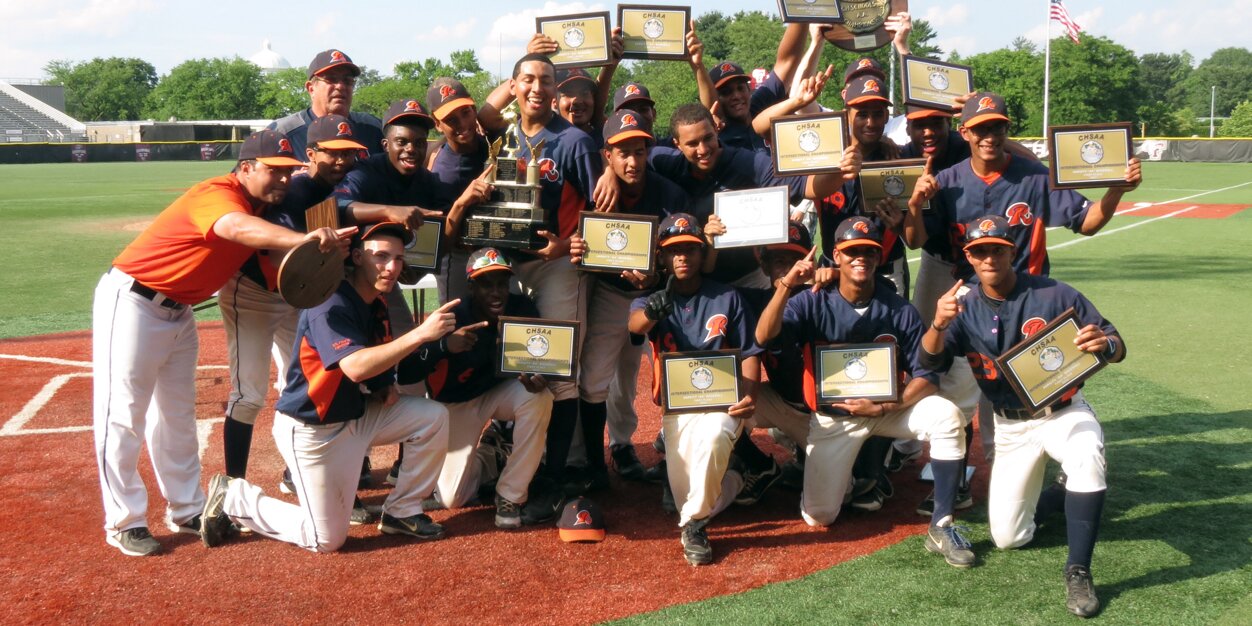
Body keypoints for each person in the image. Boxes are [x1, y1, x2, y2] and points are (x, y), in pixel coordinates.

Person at [93, 130, 353, 556]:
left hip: (179, 311)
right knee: (122, 415)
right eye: (273, 171)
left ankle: (187, 507)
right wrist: (301, 240)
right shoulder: (218, 192)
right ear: (246, 167)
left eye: (289, 173)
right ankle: (124, 521)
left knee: (176, 416)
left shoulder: (261, 203)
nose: (283, 182)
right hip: (134, 301)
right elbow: (234, 227)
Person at [200, 222, 455, 553]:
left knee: (432, 417)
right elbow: (354, 365)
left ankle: (402, 512)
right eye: (380, 256)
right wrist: (420, 334)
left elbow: (372, 358)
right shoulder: (330, 301)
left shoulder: (375, 301)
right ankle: (235, 496)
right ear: (357, 257)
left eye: (397, 258)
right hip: (313, 431)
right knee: (325, 539)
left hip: (356, 417)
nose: (391, 267)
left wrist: (382, 386)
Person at [920, 216, 1126, 616]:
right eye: (980, 251)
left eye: (998, 248)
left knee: (1087, 456)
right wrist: (938, 324)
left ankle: (1079, 570)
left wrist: (1106, 343)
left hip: (1063, 412)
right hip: (1011, 424)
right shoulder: (961, 308)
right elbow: (930, 361)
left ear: (1012, 252)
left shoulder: (1053, 293)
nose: (989, 257)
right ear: (969, 258)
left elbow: (1116, 343)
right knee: (1009, 537)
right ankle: (1062, 495)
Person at [754, 216, 973, 568]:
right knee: (820, 516)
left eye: (869, 252)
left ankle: (942, 524)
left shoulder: (898, 308)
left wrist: (890, 405)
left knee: (947, 415)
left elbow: (928, 375)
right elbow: (764, 337)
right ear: (836, 256)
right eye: (852, 251)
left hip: (887, 411)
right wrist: (785, 287)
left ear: (878, 257)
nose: (862, 258)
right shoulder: (811, 300)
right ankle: (860, 473)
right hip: (833, 419)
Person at [221, 114, 367, 482]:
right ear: (313, 153)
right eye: (332, 152)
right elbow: (276, 256)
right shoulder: (299, 190)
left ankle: (297, 472)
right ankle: (233, 485)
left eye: (348, 152)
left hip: (298, 296)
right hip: (254, 294)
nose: (341, 160)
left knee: (308, 382)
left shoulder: (330, 190)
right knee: (249, 393)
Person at [627, 213, 762, 566]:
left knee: (716, 438)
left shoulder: (727, 296)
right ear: (663, 257)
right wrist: (652, 314)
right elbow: (635, 325)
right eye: (674, 251)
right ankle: (736, 478)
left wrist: (751, 393)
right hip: (678, 407)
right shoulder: (651, 299)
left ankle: (694, 526)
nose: (682, 257)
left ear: (703, 253)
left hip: (723, 401)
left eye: (690, 249)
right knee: (685, 492)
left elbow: (749, 351)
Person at [903, 91, 1143, 283]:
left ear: (1007, 130)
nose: (989, 137)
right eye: (980, 129)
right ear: (965, 133)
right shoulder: (947, 181)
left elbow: (1087, 223)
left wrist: (1116, 190)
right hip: (970, 294)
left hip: (1029, 289)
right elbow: (915, 241)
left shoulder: (1034, 176)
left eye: (996, 127)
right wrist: (914, 204)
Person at [501, 53, 602, 501]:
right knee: (522, 368)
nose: (537, 88)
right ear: (514, 85)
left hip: (561, 265)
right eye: (528, 80)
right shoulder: (504, 138)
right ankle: (526, 461)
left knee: (559, 371)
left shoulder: (574, 141)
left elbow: (605, 212)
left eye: (546, 80)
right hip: (513, 266)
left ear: (556, 89)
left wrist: (567, 244)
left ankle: (556, 474)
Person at [568, 110, 688, 488]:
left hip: (653, 295)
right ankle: (593, 461)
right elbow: (575, 236)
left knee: (630, 375)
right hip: (608, 292)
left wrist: (658, 273)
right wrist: (574, 246)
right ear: (608, 156)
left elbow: (682, 250)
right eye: (623, 153)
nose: (633, 161)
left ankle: (622, 447)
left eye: (639, 151)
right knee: (594, 378)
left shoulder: (667, 191)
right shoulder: (596, 189)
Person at [401, 247, 556, 528]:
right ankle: (492, 455)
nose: (496, 292)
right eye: (486, 284)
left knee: (540, 397)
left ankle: (511, 493)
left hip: (499, 394)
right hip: (456, 403)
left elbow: (542, 362)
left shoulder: (522, 309)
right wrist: (444, 346)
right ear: (471, 286)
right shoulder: (452, 317)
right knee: (452, 499)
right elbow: (407, 371)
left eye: (501, 283)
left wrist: (538, 375)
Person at [649, 103, 861, 287]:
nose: (703, 149)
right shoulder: (665, 162)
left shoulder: (748, 163)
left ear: (716, 129)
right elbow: (631, 155)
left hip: (749, 276)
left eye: (708, 138)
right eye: (692, 144)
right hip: (696, 281)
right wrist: (612, 172)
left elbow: (811, 187)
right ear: (677, 144)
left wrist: (841, 172)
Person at [424, 77, 506, 305]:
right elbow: (444, 241)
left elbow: (514, 86)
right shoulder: (441, 170)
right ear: (437, 124)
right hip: (459, 254)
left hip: (500, 247)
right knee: (458, 322)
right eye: (451, 119)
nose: (462, 123)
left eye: (466, 112)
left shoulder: (492, 141)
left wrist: (530, 57)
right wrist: (463, 202)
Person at [269, 49, 383, 159]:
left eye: (347, 81)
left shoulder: (373, 128)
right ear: (311, 89)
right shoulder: (283, 133)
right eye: (331, 79)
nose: (340, 86)